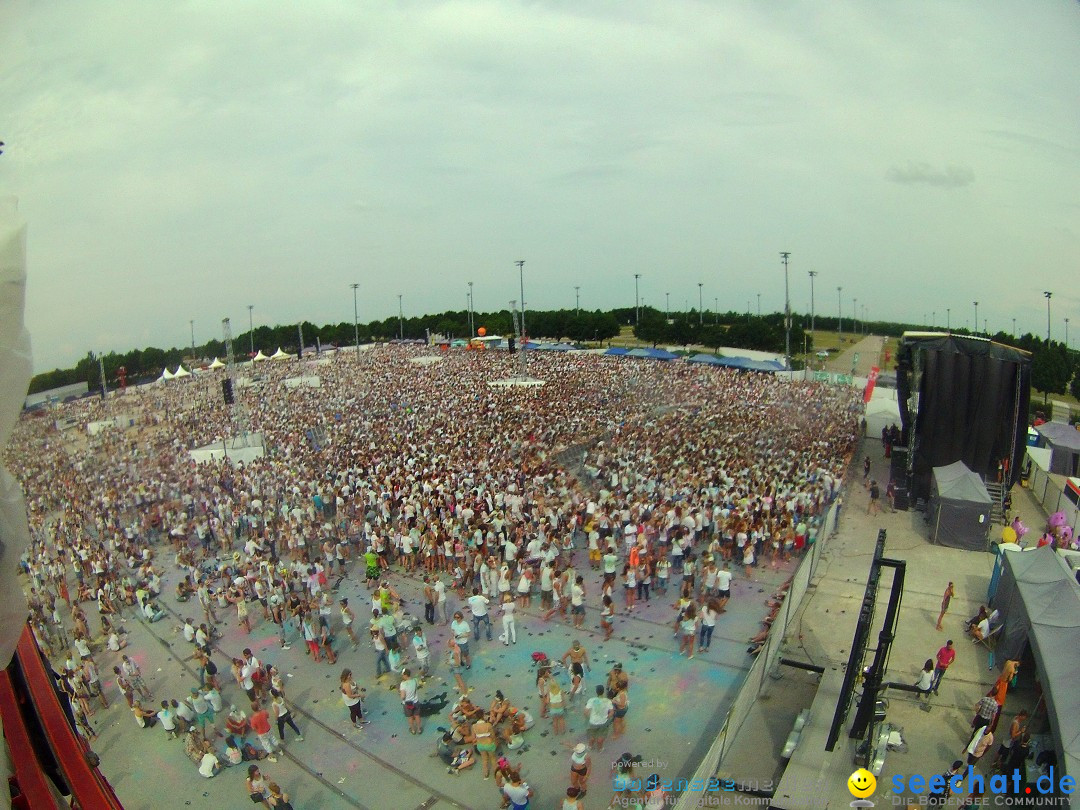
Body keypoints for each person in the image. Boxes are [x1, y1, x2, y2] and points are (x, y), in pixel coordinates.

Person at [584, 684, 613, 751]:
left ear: (596, 692)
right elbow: (612, 712)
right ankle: (600, 749)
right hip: (603, 722)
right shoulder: (607, 701)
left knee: (592, 735)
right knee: (601, 737)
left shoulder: (591, 700)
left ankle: (590, 747)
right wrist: (607, 717)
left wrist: (589, 717)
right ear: (603, 692)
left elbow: (585, 712)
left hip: (593, 722)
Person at [400, 668, 422, 735]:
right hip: (415, 701)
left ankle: (412, 730)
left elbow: (403, 696)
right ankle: (419, 729)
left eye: (402, 675)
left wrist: (401, 695)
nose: (402, 676)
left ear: (405, 675)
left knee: (410, 717)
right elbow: (417, 687)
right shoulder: (415, 680)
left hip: (408, 703)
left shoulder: (403, 684)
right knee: (417, 715)